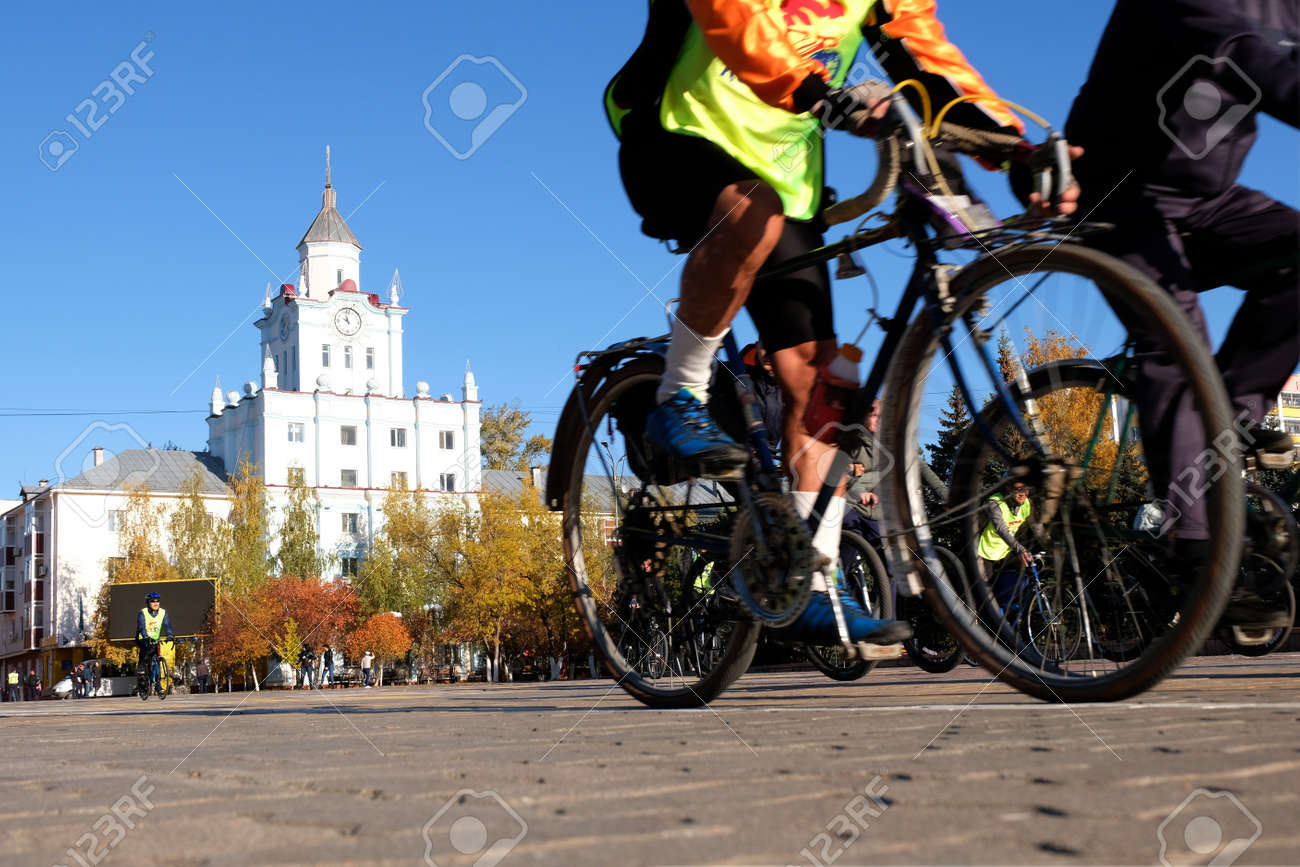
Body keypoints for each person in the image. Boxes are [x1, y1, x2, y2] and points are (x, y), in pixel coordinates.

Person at [608, 0, 1080, 649]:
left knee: (823, 388)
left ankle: (810, 582)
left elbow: (928, 63)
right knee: (751, 216)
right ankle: (678, 394)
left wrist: (1010, 147)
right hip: (674, 132)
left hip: (784, 175)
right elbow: (733, 18)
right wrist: (818, 95)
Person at [1065, 0, 1297, 628]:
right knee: (1173, 340)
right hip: (1113, 192)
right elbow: (1244, 50)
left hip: (1204, 202)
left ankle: (1228, 426)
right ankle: (1196, 556)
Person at [976, 482, 1037, 608]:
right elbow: (1001, 529)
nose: (1023, 494)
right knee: (983, 594)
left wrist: (1050, 544)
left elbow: (1036, 526)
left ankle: (1002, 606)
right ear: (1008, 488)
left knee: (1026, 573)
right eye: (1019, 489)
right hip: (985, 551)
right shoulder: (994, 502)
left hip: (1005, 550)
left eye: (1026, 489)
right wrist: (1019, 549)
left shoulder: (1026, 503)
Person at [136, 591, 174, 693]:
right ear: (148, 602)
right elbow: (141, 627)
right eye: (153, 601)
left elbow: (167, 625)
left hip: (155, 639)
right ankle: (141, 671)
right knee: (144, 652)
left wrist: (170, 635)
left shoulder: (163, 613)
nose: (156, 603)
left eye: (157, 601)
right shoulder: (142, 613)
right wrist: (146, 636)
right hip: (143, 638)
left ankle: (158, 685)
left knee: (157, 660)